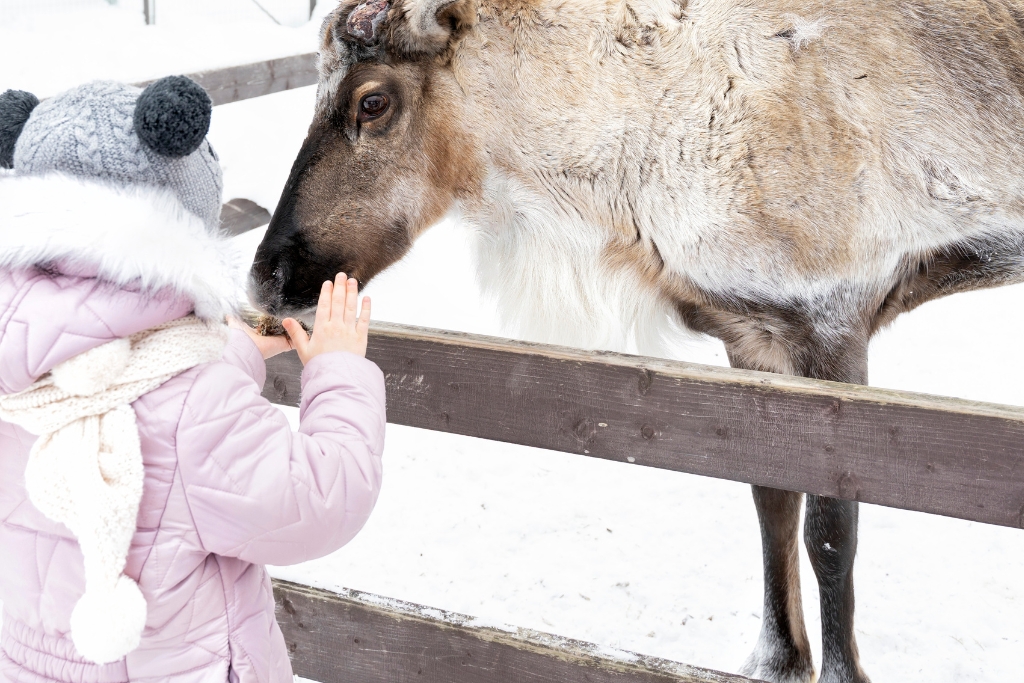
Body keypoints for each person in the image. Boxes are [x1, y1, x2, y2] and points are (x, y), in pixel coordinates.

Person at [0, 77, 385, 682]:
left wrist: (227, 352)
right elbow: (320, 499)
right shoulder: (193, 405)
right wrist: (339, 371)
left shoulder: (17, 368)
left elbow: (131, 384)